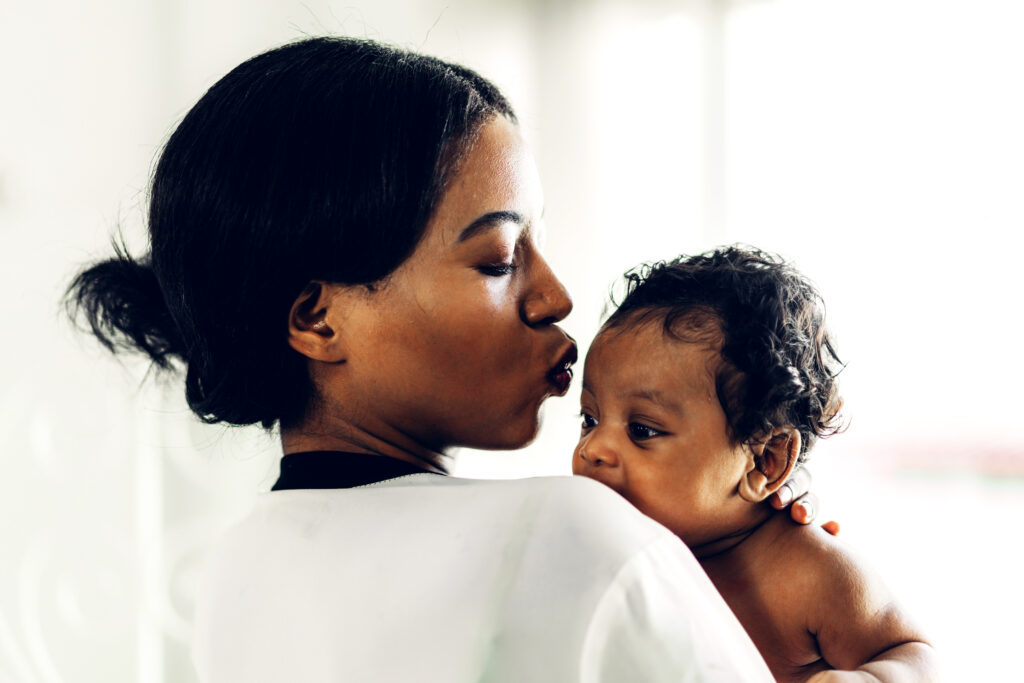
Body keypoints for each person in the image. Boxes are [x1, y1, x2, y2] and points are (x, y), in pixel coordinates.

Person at [67, 37, 815, 682]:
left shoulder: (236, 571)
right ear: (319, 319)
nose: (554, 295)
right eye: (497, 259)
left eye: (538, 246)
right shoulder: (570, 531)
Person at [572, 247, 939, 682]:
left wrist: (871, 678)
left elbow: (912, 652)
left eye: (643, 430)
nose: (593, 447)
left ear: (764, 461)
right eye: (590, 419)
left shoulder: (803, 573)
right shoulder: (599, 551)